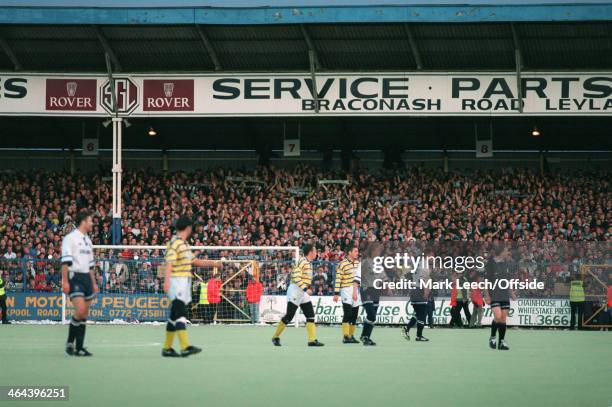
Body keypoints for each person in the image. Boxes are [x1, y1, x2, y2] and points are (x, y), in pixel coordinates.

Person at [162, 215, 223, 357]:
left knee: (173, 317)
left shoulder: (184, 244)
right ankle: (185, 347)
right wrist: (167, 281)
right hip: (176, 282)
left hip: (183, 283)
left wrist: (214, 263)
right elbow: (169, 263)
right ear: (188, 228)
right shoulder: (175, 243)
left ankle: (167, 348)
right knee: (182, 313)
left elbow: (196, 262)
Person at [61, 209, 98, 356]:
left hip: (87, 279)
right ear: (83, 222)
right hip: (74, 277)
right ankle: (70, 342)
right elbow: (65, 262)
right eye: (90, 221)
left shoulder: (88, 240)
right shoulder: (70, 238)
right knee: (80, 310)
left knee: (84, 314)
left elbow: (90, 265)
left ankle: (79, 347)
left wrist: (94, 283)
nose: (92, 223)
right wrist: (65, 281)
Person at [272, 244, 324, 347]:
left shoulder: (309, 263)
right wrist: (305, 288)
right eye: (315, 251)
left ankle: (312, 340)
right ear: (310, 252)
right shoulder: (302, 261)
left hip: (302, 291)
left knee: (310, 315)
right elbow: (295, 276)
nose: (316, 253)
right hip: (295, 290)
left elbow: (304, 278)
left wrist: (307, 288)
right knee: (289, 316)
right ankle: (275, 337)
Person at [483, 246, 515, 351]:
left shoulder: (506, 264)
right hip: (494, 294)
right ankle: (492, 337)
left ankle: (502, 342)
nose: (508, 253)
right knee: (498, 316)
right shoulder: (491, 263)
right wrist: (486, 295)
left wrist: (511, 293)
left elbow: (508, 280)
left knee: (503, 319)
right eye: (507, 251)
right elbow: (486, 280)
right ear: (501, 252)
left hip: (504, 294)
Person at [333, 245, 361, 343]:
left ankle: (351, 335)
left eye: (358, 251)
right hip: (345, 289)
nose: (357, 253)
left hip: (356, 290)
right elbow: (338, 279)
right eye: (355, 251)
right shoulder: (343, 264)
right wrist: (336, 293)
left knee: (354, 314)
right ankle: (345, 336)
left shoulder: (358, 263)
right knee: (348, 313)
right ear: (349, 252)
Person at [403, 262, 431, 342]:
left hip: (413, 292)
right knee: (422, 315)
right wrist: (426, 290)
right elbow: (422, 280)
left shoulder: (416, 271)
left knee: (417, 313)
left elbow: (407, 275)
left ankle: (407, 328)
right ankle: (419, 336)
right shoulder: (423, 271)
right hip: (419, 292)